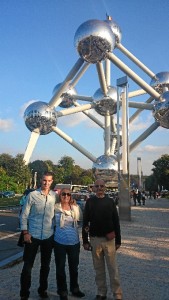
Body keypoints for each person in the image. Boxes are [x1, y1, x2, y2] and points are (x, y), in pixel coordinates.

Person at [82, 179, 122, 300]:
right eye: (97, 186)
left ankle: (117, 294)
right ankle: (101, 293)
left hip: (109, 240)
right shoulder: (90, 202)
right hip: (95, 239)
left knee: (113, 269)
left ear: (105, 187)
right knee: (98, 269)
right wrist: (85, 241)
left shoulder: (110, 202)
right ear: (94, 187)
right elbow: (85, 222)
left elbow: (116, 221)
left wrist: (118, 240)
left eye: (102, 186)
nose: (99, 188)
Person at [19, 171, 56, 300]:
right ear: (41, 180)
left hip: (48, 236)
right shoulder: (32, 195)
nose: (46, 183)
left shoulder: (53, 196)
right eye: (44, 180)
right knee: (27, 267)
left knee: (45, 266)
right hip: (32, 235)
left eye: (49, 180)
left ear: (52, 181)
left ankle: (42, 290)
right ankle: (24, 293)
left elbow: (55, 215)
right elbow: (24, 215)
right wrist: (25, 232)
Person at [54, 188, 85, 300]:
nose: (66, 196)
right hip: (59, 242)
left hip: (74, 242)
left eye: (68, 194)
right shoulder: (55, 208)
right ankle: (62, 291)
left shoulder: (75, 208)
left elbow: (81, 219)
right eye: (63, 194)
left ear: (71, 196)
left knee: (74, 268)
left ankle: (74, 289)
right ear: (60, 195)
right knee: (60, 268)